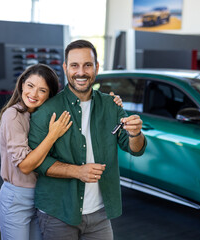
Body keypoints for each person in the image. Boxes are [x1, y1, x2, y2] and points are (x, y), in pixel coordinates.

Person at [28, 40, 147, 240]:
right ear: (65, 68)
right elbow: (36, 162)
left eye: (87, 65)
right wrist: (77, 171)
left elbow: (135, 149)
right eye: (74, 65)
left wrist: (135, 134)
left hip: (100, 214)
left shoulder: (111, 105)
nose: (81, 72)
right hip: (58, 212)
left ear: (96, 67)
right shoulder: (47, 110)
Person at [0, 63, 123, 240]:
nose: (33, 94)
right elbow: (25, 166)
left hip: (43, 197)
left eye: (42, 90)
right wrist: (52, 135)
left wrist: (111, 102)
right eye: (30, 86)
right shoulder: (13, 115)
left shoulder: (45, 114)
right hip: (18, 198)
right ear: (22, 84)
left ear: (49, 95)